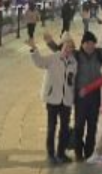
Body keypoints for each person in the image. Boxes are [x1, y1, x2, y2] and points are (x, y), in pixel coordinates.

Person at [46, 21, 102, 161]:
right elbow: (61, 49)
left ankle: (89, 152)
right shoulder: (76, 55)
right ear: (82, 44)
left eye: (92, 43)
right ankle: (78, 152)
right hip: (80, 95)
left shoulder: (99, 54)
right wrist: (50, 42)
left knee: (92, 124)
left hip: (94, 95)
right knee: (79, 124)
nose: (90, 45)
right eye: (87, 43)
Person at [30, 33, 78, 164]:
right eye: (66, 46)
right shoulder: (53, 58)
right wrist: (34, 48)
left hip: (66, 100)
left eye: (71, 47)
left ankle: (61, 153)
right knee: (51, 127)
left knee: (64, 128)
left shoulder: (74, 62)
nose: (68, 49)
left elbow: (73, 81)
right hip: (52, 99)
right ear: (62, 46)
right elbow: (39, 62)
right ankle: (51, 154)